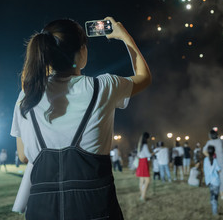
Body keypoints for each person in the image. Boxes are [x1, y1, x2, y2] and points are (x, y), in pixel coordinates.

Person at [10, 17, 151, 218]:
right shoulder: (103, 87)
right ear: (82, 52)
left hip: (41, 209)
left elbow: (24, 156)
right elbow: (144, 77)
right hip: (94, 208)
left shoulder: (27, 96)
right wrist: (124, 37)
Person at [203, 145, 222, 216]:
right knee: (215, 197)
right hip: (215, 181)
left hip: (209, 181)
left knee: (212, 195)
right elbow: (219, 170)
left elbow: (205, 170)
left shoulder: (205, 160)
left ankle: (214, 209)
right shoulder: (215, 160)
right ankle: (215, 212)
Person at [136, 132, 152, 201]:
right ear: (146, 138)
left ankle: (142, 195)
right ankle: (143, 196)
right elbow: (148, 155)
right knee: (147, 180)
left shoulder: (140, 145)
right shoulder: (145, 145)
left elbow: (138, 155)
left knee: (141, 180)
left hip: (140, 162)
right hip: (144, 162)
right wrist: (153, 153)